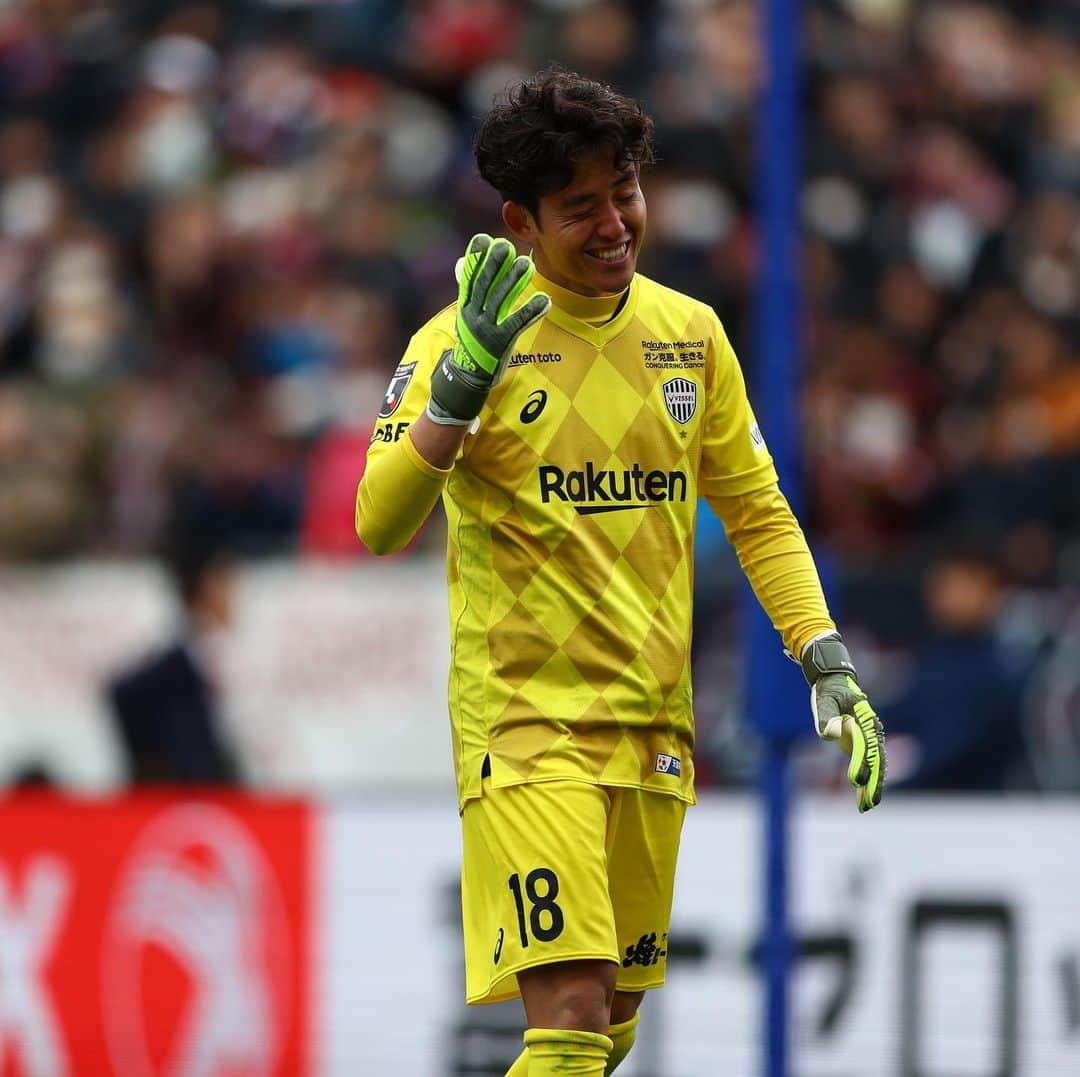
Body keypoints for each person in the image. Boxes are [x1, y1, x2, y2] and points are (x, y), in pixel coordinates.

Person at [355, 68, 885, 1077]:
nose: (614, 225)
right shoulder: (462, 342)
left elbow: (759, 514)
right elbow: (379, 521)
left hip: (653, 729)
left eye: (626, 194)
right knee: (569, 1018)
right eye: (581, 208)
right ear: (520, 219)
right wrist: (461, 387)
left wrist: (825, 659)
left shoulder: (691, 337)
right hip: (524, 722)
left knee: (608, 1032)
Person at [107, 526, 242, 786]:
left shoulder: (217, 657)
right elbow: (120, 694)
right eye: (226, 582)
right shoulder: (173, 667)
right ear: (206, 586)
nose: (234, 594)